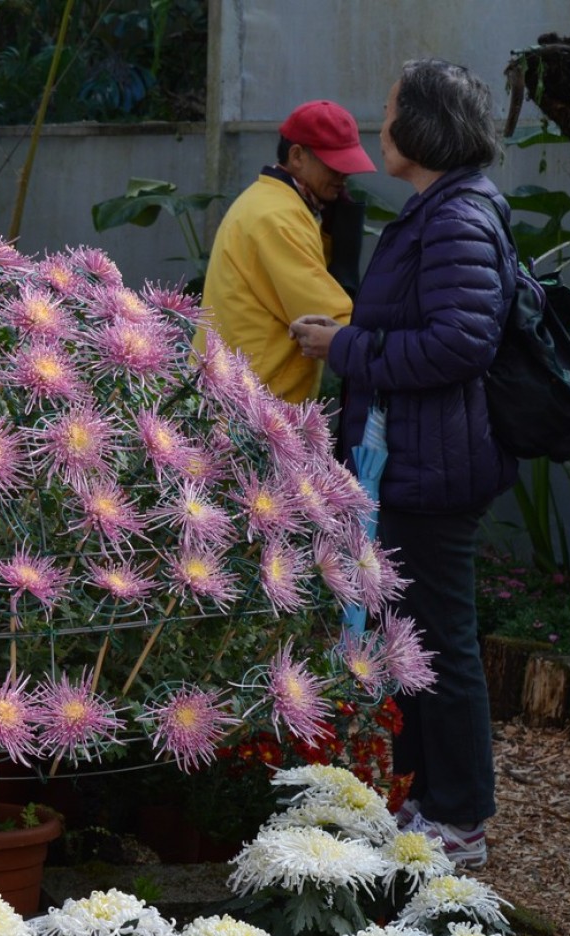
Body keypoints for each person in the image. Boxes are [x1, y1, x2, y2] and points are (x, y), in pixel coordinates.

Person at [291, 58, 518, 868]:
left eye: (388, 113)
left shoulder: (457, 216)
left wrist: (345, 346)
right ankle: (426, 799)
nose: (378, 127)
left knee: (442, 642)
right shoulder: (441, 208)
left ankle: (461, 817)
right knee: (414, 636)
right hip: (416, 461)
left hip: (435, 469)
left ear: (423, 127)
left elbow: (461, 343)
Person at [197, 100, 375, 403]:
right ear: (297, 156)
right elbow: (332, 319)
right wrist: (407, 346)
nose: (344, 175)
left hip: (236, 398)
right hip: (253, 410)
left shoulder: (271, 202)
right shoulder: (278, 219)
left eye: (349, 165)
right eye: (335, 164)